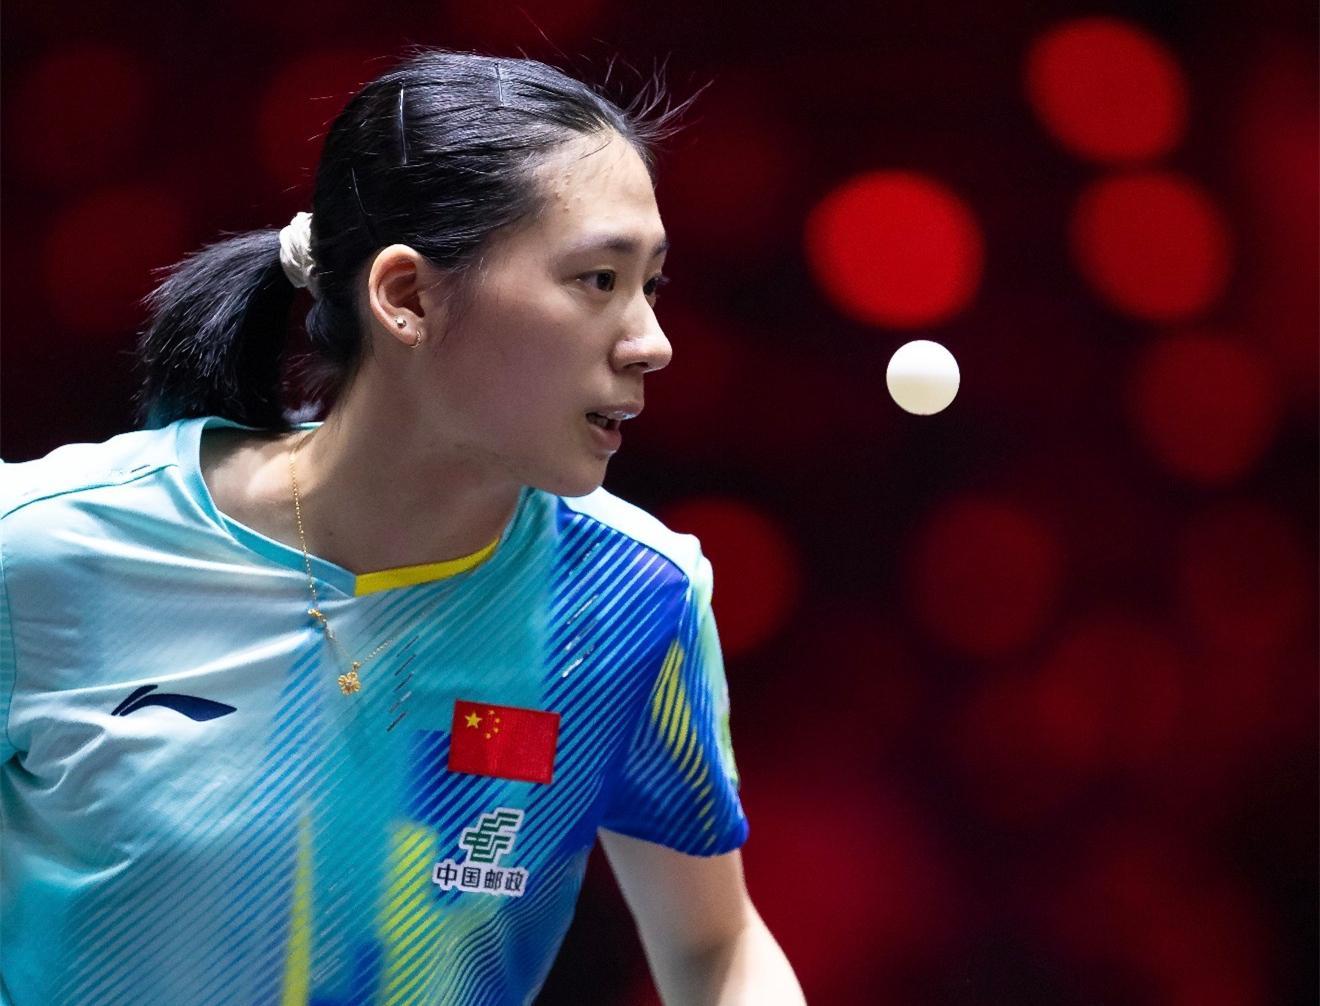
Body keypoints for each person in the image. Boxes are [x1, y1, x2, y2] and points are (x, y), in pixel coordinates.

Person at [0, 48, 805, 1006]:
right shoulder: (44, 550)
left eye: (651, 286)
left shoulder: (631, 601)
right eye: (598, 280)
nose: (651, 343)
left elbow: (716, 947)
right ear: (409, 298)